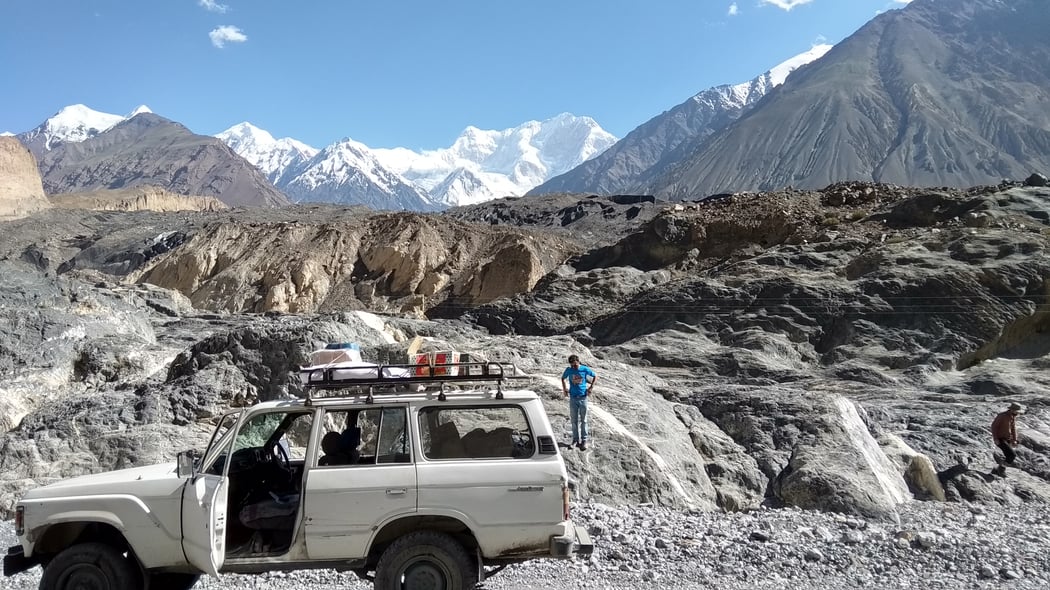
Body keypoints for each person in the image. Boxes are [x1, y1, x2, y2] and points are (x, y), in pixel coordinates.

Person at [561, 355, 596, 450]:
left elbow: (595, 376)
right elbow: (563, 378)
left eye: (575, 365)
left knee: (584, 420)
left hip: (583, 397)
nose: (574, 367)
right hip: (573, 398)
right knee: (574, 421)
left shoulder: (584, 369)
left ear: (578, 362)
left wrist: (591, 387)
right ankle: (575, 440)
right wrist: (564, 389)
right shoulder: (569, 370)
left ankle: (584, 440)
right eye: (572, 365)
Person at [991, 402, 1023, 476]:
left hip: (1007, 439)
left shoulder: (1012, 417)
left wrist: (1014, 440)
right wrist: (996, 439)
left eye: (1017, 411)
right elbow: (994, 427)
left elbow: (1013, 429)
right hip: (1000, 439)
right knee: (1012, 455)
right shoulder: (1002, 416)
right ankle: (1000, 470)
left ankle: (996, 470)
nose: (1017, 412)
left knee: (1009, 455)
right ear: (1011, 409)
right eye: (1016, 410)